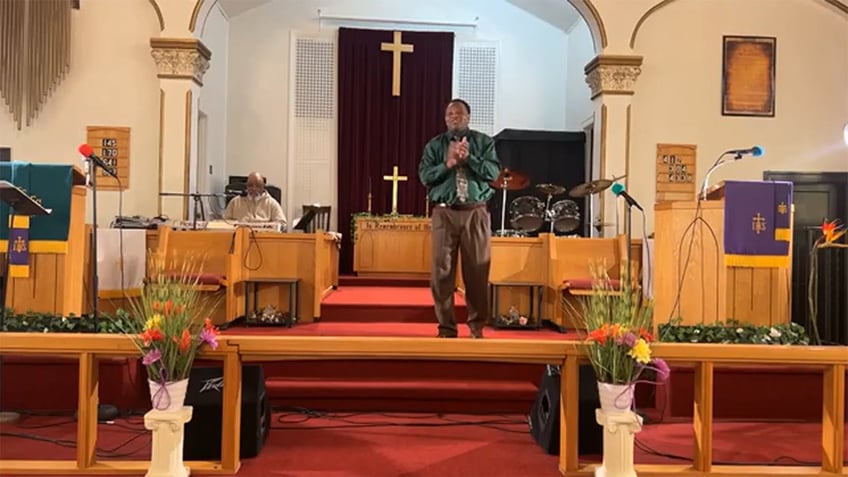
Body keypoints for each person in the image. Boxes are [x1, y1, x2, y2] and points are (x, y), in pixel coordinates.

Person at [418, 99, 501, 339]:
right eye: (450, 114)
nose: (455, 117)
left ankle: (476, 327)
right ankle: (446, 328)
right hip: (445, 213)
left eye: (459, 114)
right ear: (445, 119)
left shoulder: (484, 142)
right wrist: (449, 164)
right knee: (441, 272)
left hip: (475, 212)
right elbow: (425, 176)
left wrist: (469, 159)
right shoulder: (435, 145)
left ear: (468, 117)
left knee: (477, 271)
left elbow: (493, 173)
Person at [223, 172, 287, 227]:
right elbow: (225, 222)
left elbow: (282, 224)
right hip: (240, 237)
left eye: (258, 186)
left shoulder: (271, 203)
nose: (254, 188)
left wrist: (267, 226)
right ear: (247, 186)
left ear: (263, 187)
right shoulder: (235, 202)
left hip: (263, 238)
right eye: (250, 185)